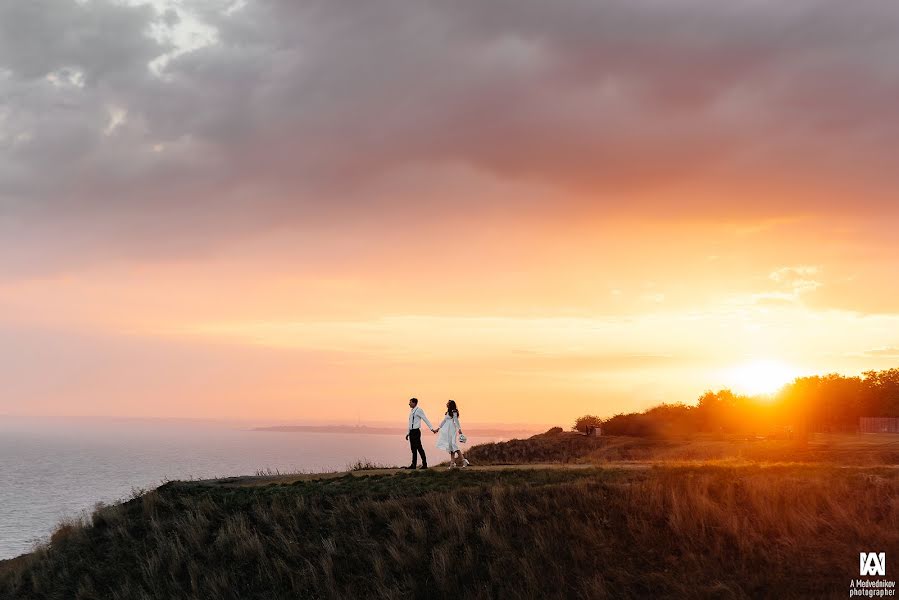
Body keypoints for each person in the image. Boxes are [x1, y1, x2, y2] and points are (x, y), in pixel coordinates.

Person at [434, 399, 470, 468]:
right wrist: (438, 429)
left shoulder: (454, 411)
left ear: (450, 405)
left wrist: (459, 429)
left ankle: (463, 461)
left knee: (453, 445)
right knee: (451, 447)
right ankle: (452, 463)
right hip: (447, 430)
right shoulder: (447, 412)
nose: (446, 404)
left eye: (448, 403)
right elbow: (444, 421)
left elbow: (456, 420)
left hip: (452, 430)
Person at [405, 397, 434, 469]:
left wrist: (432, 429)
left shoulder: (419, 410)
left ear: (414, 403)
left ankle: (425, 464)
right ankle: (413, 465)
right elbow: (410, 423)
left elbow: (425, 419)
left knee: (419, 448)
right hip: (412, 432)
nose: (409, 404)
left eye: (410, 402)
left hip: (416, 432)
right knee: (413, 449)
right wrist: (408, 433)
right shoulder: (412, 411)